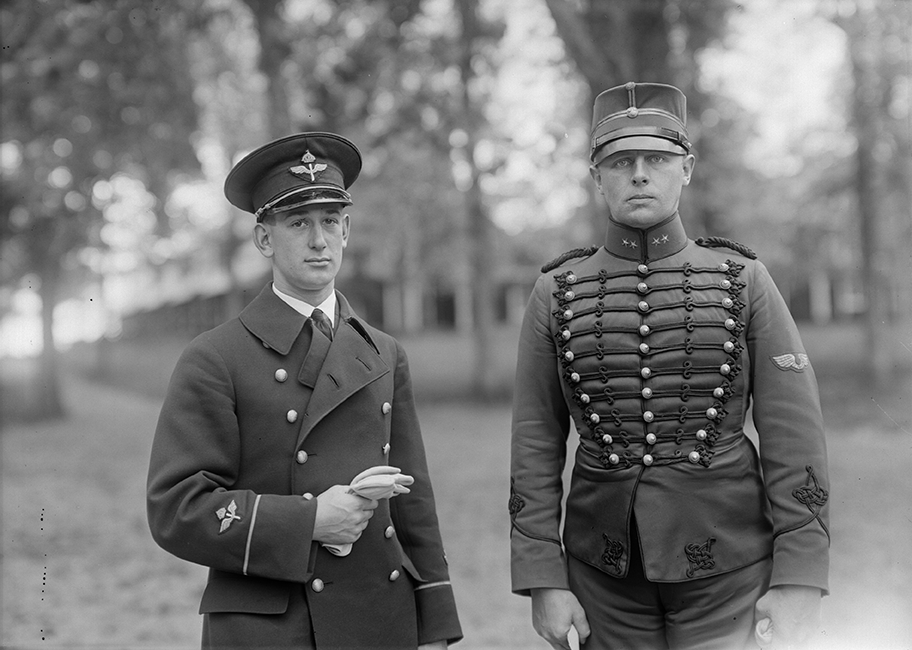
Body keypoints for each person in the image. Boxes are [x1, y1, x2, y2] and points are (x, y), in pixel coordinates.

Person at [509, 82, 829, 650]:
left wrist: (800, 576)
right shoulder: (557, 290)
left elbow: (794, 434)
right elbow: (535, 440)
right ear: (596, 175)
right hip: (602, 578)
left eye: (656, 159)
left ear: (686, 169)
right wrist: (541, 577)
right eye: (620, 162)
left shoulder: (743, 279)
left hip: (729, 569)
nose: (638, 175)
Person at [147, 132, 462, 649]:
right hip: (270, 628)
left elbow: (414, 503)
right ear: (264, 239)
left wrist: (436, 624)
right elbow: (176, 508)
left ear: (347, 230)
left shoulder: (384, 352)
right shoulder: (215, 358)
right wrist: (309, 520)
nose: (319, 240)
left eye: (331, 221)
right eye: (298, 223)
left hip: (380, 618)